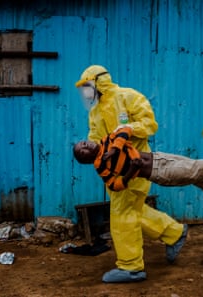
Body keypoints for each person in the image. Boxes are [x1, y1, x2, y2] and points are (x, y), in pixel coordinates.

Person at [75, 65, 188, 283]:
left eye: (87, 86)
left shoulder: (129, 97)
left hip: (137, 164)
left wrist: (127, 130)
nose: (86, 92)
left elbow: (149, 124)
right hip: (116, 170)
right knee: (133, 210)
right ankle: (174, 233)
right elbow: (96, 140)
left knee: (122, 214)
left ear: (99, 82)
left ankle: (131, 266)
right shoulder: (95, 112)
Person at [73, 126, 203, 198]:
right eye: (82, 151)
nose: (85, 145)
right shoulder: (101, 166)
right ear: (86, 159)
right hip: (159, 173)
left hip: (160, 157)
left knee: (197, 177)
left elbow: (125, 130)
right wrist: (129, 172)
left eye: (83, 143)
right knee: (195, 169)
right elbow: (114, 185)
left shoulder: (106, 141)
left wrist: (114, 149)